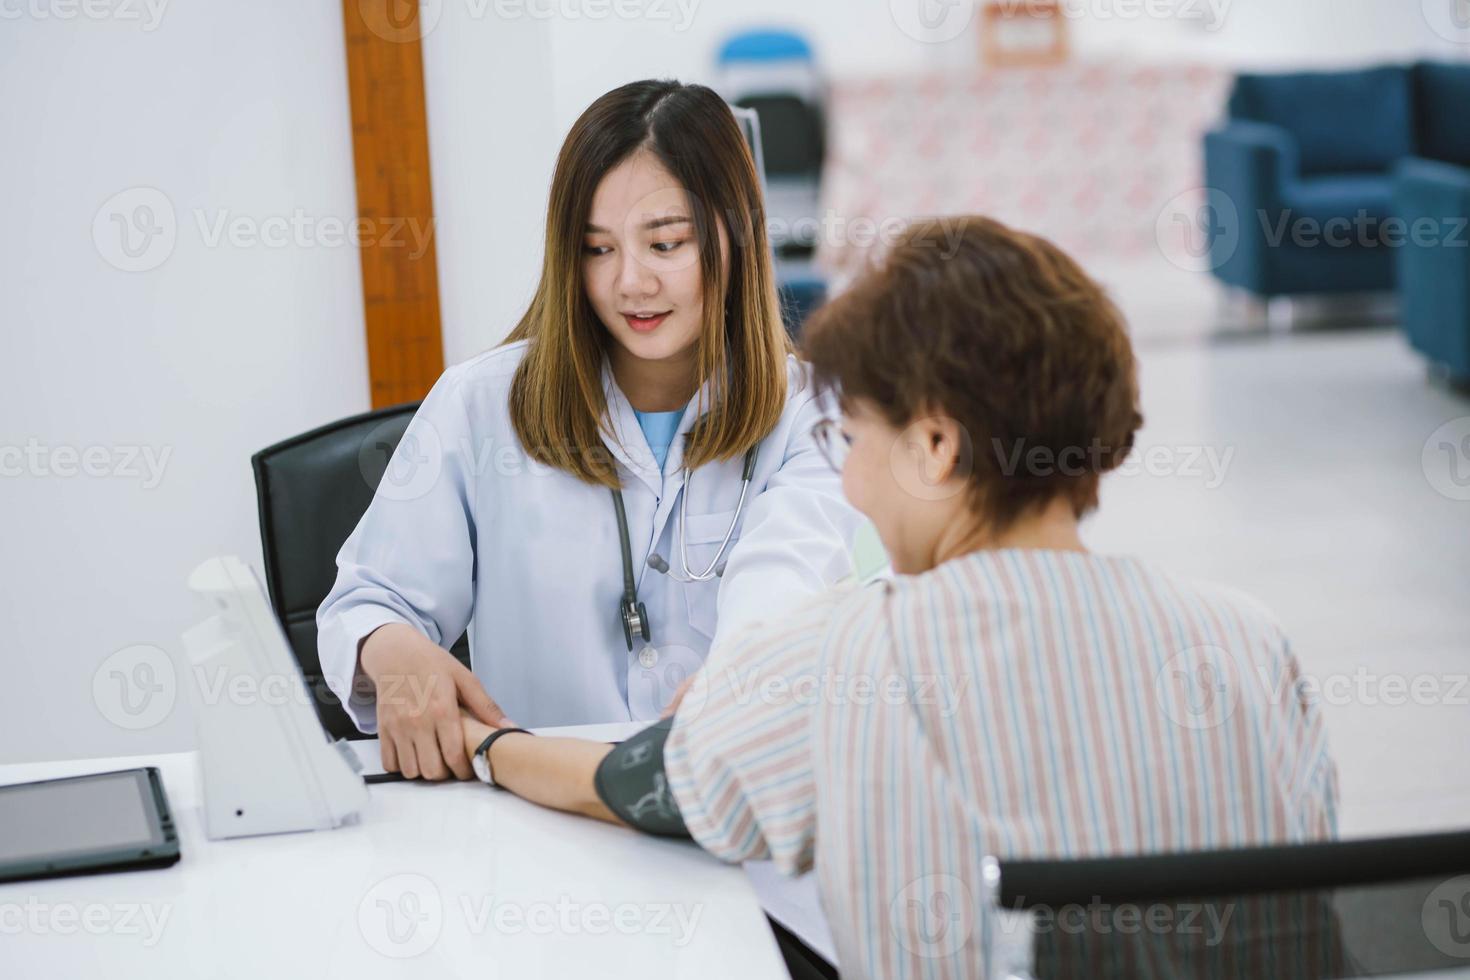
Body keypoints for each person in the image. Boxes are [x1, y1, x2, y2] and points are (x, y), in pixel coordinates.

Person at [452, 216, 1340, 978]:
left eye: (855, 434)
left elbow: (639, 787)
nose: (852, 485)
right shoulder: (1249, 641)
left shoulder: (836, 657)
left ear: (937, 445)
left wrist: (491, 746)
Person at [317, 79, 862, 781]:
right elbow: (367, 602)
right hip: (530, 816)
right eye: (597, 250)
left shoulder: (809, 413)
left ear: (737, 237)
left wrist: (739, 682)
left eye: (665, 244)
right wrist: (392, 650)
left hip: (728, 801)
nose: (629, 282)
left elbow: (784, 584)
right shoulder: (479, 404)